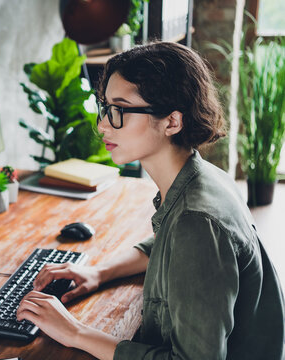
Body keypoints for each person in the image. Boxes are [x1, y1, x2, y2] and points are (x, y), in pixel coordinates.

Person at [16, 41, 285, 359]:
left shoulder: (197, 221)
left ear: (172, 121)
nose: (103, 125)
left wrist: (75, 332)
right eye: (105, 108)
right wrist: (98, 273)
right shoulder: (203, 178)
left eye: (119, 111)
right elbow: (165, 245)